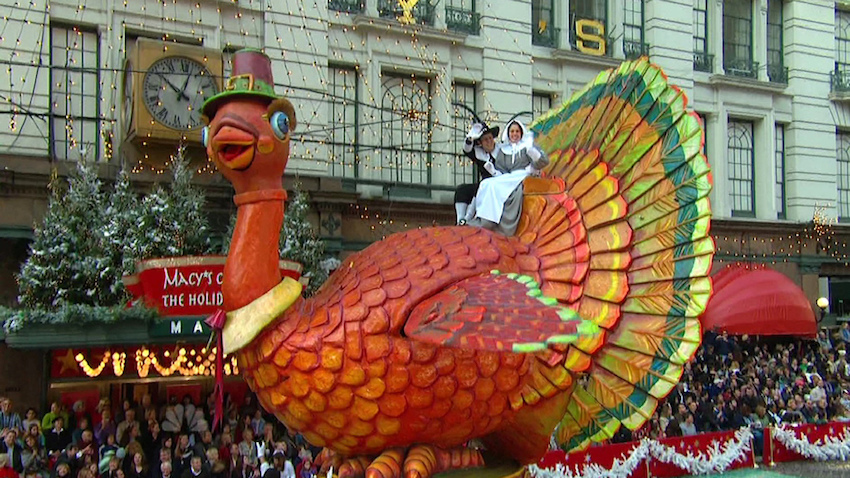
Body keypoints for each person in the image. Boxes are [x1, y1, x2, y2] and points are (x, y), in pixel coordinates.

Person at [463, 119, 549, 236]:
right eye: (512, 131)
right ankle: (486, 219)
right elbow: (501, 169)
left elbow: (543, 161)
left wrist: (532, 154)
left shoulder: (527, 146)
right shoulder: (503, 150)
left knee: (492, 184)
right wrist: (493, 171)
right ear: (508, 133)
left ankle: (491, 222)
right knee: (486, 184)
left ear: (521, 133)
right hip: (508, 178)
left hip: (523, 176)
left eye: (517, 131)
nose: (514, 134)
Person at [455, 122, 500, 225]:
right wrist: (470, 138)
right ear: (480, 143)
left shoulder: (501, 151)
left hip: (496, 189)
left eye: (490, 138)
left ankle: (467, 218)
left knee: (482, 187)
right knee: (462, 189)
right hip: (483, 187)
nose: (489, 142)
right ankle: (460, 220)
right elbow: (467, 150)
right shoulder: (479, 154)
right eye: (485, 140)